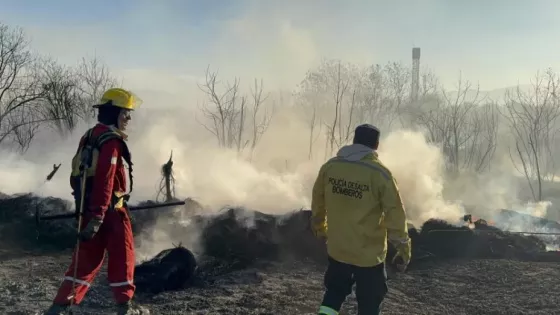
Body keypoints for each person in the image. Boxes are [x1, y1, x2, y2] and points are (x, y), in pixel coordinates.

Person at [44, 88, 149, 315]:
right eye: (125, 113)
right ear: (114, 113)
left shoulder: (90, 135)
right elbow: (105, 180)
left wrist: (87, 212)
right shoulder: (111, 141)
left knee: (85, 259)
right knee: (123, 256)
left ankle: (59, 307)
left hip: (88, 210)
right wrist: (101, 215)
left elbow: (76, 177)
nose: (128, 118)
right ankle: (125, 307)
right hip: (110, 213)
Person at [311, 123, 412, 315]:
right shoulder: (380, 174)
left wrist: (319, 229)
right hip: (369, 255)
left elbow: (318, 203)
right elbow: (395, 214)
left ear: (354, 140)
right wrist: (403, 247)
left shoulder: (330, 167)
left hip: (338, 248)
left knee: (333, 293)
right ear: (376, 145)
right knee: (369, 302)